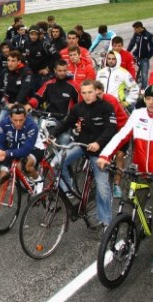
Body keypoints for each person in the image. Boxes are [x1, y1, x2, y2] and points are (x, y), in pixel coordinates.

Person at [97, 84, 153, 275]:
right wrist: (105, 155)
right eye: (148, 98)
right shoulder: (138, 114)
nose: (151, 102)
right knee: (132, 208)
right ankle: (133, 241)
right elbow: (121, 136)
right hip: (138, 172)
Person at [51, 80, 117, 230]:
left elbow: (110, 129)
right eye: (84, 93)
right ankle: (68, 191)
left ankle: (106, 221)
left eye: (90, 92)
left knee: (102, 187)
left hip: (100, 151)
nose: (87, 96)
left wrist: (98, 143)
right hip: (81, 146)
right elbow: (66, 122)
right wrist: (52, 135)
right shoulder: (78, 107)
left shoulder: (106, 107)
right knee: (55, 163)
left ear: (96, 92)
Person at [0, 103, 46, 225]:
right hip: (12, 149)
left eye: (21, 120)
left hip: (34, 149)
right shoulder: (4, 123)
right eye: (15, 120)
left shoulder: (32, 125)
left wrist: (6, 153)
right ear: (10, 118)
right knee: (2, 178)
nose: (18, 123)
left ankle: (38, 179)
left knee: (25, 165)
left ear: (26, 117)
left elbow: (26, 150)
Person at [94, 80, 129, 198]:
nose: (97, 97)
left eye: (99, 94)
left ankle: (117, 184)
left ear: (103, 92)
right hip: (106, 128)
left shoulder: (111, 101)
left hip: (121, 128)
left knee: (119, 155)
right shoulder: (90, 101)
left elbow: (110, 123)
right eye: (95, 94)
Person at [25, 25, 60, 91]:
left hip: (44, 75)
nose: (33, 36)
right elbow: (25, 56)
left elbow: (57, 56)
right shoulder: (26, 43)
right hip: (32, 74)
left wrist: (48, 69)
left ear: (39, 35)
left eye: (35, 34)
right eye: (31, 34)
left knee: (43, 93)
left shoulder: (45, 44)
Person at [128, 21, 153, 89]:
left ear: (140, 28)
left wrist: (148, 57)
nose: (134, 30)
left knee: (144, 74)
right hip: (135, 56)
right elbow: (132, 43)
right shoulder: (136, 34)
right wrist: (127, 52)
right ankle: (131, 85)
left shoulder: (149, 35)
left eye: (135, 29)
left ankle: (143, 89)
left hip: (144, 58)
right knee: (129, 69)